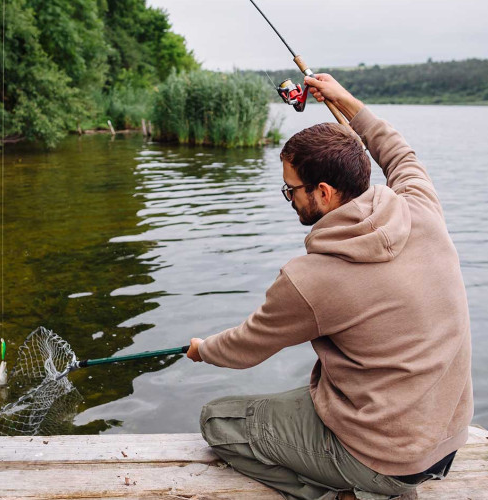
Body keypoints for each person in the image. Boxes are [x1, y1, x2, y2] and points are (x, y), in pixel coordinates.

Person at [186, 74, 473, 500]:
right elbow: (398, 152)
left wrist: (203, 349)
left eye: (291, 190)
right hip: (447, 439)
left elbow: (245, 347)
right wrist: (345, 100)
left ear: (323, 192)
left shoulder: (309, 280)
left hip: (386, 457)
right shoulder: (421, 207)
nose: (289, 198)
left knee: (218, 421)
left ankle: (346, 494)